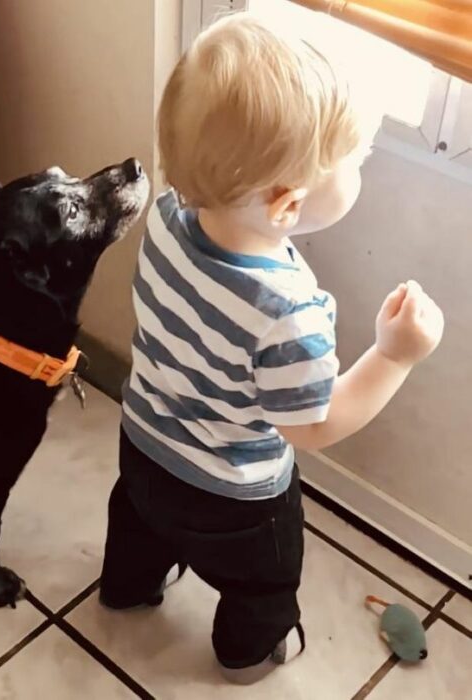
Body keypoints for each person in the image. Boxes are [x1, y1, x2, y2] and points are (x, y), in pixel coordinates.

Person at [99, 12, 444, 685]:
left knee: (139, 522)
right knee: (262, 581)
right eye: (354, 162)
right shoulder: (290, 312)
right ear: (285, 207)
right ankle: (245, 655)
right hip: (235, 496)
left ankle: (127, 586)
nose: (358, 170)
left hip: (143, 446)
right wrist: (393, 355)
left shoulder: (168, 215)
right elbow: (311, 427)